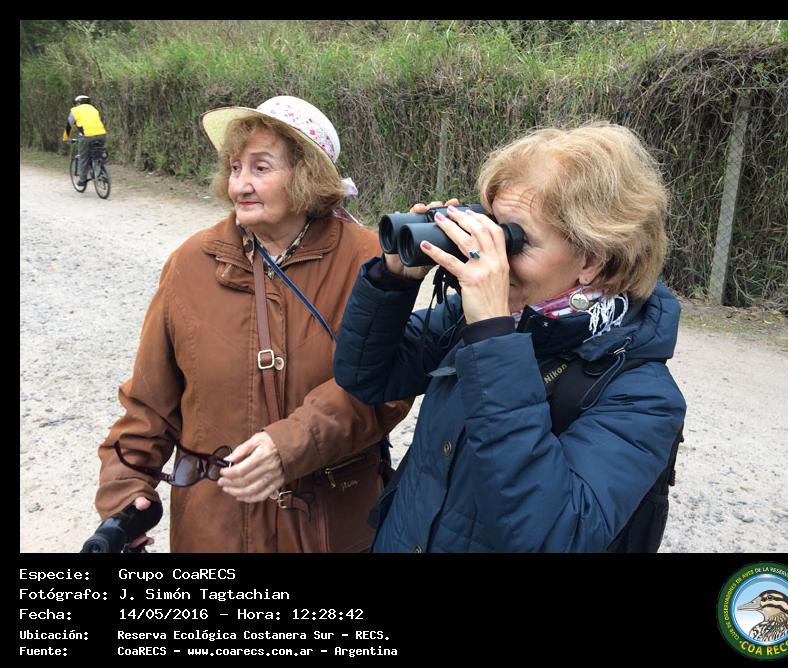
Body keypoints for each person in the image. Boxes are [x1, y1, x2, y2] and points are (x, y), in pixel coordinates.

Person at [334, 122, 687, 552]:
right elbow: (364, 376)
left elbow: (553, 537)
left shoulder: (642, 397)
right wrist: (394, 280)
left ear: (592, 261)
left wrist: (492, 341)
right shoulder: (484, 318)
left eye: (514, 240)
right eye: (491, 226)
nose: (490, 254)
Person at [95, 95, 410, 552]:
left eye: (261, 168)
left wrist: (292, 445)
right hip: (213, 530)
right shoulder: (190, 263)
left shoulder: (367, 260)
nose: (240, 183)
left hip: (330, 528)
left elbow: (387, 388)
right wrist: (124, 494)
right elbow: (149, 402)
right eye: (235, 167)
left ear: (306, 175)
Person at [63, 95, 108, 187]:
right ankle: (100, 168)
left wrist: (65, 138)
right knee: (99, 152)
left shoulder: (75, 110)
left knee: (83, 157)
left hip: (87, 136)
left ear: (77, 103)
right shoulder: (94, 110)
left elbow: (69, 126)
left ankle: (82, 180)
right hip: (102, 135)